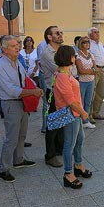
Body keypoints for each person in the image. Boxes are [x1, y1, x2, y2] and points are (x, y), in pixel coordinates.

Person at [0, 35, 43, 182]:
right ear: (5, 49)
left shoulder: (17, 62)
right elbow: (12, 90)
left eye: (18, 44)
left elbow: (25, 79)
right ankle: (3, 169)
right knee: (11, 138)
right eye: (14, 46)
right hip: (11, 103)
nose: (18, 47)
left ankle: (19, 159)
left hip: (22, 102)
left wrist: (35, 87)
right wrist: (32, 92)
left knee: (22, 134)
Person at [53, 45, 92, 189]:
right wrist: (83, 112)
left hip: (75, 113)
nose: (75, 57)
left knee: (79, 139)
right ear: (68, 57)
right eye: (73, 55)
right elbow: (70, 100)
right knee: (69, 144)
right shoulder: (63, 76)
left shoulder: (65, 72)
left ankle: (78, 164)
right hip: (70, 114)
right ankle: (68, 174)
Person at [40, 26, 65, 167]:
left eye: (60, 32)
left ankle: (59, 149)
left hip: (63, 90)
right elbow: (60, 69)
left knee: (61, 122)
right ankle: (50, 155)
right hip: (53, 91)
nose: (60, 34)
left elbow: (70, 68)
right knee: (52, 124)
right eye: (57, 33)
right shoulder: (46, 53)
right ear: (49, 37)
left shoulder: (61, 51)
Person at [75, 36, 96, 129]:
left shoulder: (91, 54)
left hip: (91, 81)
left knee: (88, 101)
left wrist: (88, 71)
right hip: (82, 82)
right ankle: (79, 120)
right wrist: (91, 70)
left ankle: (86, 120)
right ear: (80, 44)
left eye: (88, 42)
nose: (87, 43)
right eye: (84, 42)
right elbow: (80, 71)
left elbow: (95, 69)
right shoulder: (78, 55)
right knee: (80, 102)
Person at [88, 27, 104, 123]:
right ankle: (89, 115)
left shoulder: (100, 44)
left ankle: (96, 112)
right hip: (94, 70)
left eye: (98, 32)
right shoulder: (89, 44)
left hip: (102, 69)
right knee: (92, 93)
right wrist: (94, 68)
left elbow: (103, 57)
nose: (97, 34)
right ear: (90, 35)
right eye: (95, 32)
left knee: (100, 92)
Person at [37, 39, 48, 133]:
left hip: (55, 76)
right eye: (57, 33)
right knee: (46, 101)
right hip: (45, 76)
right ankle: (45, 125)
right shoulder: (42, 46)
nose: (60, 35)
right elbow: (41, 62)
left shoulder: (57, 46)